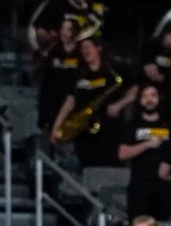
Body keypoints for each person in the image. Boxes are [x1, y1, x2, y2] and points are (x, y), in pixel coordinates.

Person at [52, 38, 125, 168]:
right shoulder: (78, 74)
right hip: (84, 132)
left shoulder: (114, 71)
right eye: (82, 48)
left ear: (99, 48)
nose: (84, 51)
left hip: (110, 132)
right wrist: (57, 127)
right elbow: (69, 102)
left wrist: (119, 104)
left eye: (88, 47)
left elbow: (135, 90)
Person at [115, 84, 171, 219]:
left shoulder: (170, 126)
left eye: (153, 95)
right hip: (140, 187)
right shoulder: (132, 125)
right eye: (145, 96)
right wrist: (147, 144)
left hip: (164, 188)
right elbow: (122, 154)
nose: (149, 100)